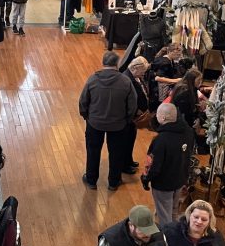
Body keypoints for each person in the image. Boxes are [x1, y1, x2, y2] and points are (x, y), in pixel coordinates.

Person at [79, 51, 137, 191]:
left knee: (93, 151)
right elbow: (132, 105)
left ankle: (91, 180)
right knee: (116, 153)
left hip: (95, 123)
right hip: (118, 125)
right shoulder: (125, 81)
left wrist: (86, 116)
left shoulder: (93, 79)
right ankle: (114, 181)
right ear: (117, 64)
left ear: (103, 62)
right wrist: (127, 120)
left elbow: (83, 101)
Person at [142, 103, 196, 227]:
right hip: (179, 179)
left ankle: (169, 240)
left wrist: (146, 178)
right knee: (173, 210)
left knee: (164, 215)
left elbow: (153, 166)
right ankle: (175, 231)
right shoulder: (188, 132)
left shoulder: (161, 140)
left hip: (163, 184)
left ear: (163, 118)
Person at [124, 57, 157, 172]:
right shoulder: (127, 79)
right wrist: (137, 110)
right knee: (127, 141)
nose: (144, 73)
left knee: (131, 140)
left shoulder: (135, 77)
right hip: (131, 117)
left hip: (136, 116)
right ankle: (125, 165)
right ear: (135, 68)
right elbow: (128, 100)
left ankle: (128, 160)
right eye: (143, 70)